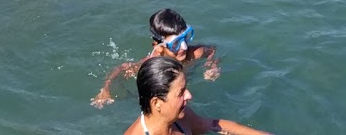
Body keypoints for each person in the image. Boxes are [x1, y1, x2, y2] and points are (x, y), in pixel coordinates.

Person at [94, 9, 220, 108]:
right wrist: (106, 89)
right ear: (159, 47)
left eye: (186, 38)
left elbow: (212, 50)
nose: (184, 46)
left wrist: (212, 65)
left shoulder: (194, 53)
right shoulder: (152, 64)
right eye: (176, 44)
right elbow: (122, 68)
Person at [117, 56, 273, 135]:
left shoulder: (180, 118)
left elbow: (213, 124)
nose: (189, 95)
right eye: (181, 92)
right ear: (157, 103)